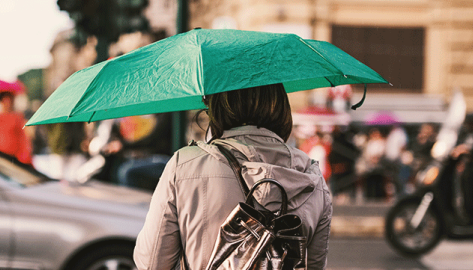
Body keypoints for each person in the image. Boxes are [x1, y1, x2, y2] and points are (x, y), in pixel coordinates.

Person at [134, 83, 332, 270]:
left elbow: (152, 263)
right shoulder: (311, 176)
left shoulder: (185, 165)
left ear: (218, 107)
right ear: (281, 106)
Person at [0, 91, 33, 165]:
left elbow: (22, 138)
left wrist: (25, 155)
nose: (7, 103)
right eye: (5, 100)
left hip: (14, 158)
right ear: (0, 101)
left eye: (10, 100)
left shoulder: (17, 117)